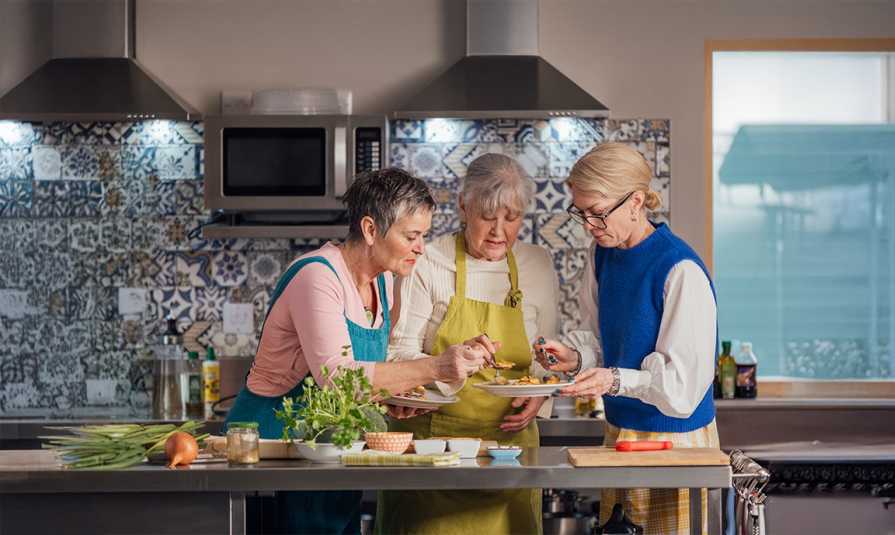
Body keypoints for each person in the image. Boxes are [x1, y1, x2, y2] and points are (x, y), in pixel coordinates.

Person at [223, 168, 488, 534]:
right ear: (370, 229)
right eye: (411, 236)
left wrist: (391, 395)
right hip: (272, 455)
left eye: (423, 236)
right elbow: (339, 377)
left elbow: (369, 373)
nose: (420, 248)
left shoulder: (383, 282)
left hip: (332, 452)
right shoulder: (317, 277)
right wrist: (438, 367)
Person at [534, 142, 719, 535]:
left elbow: (681, 391)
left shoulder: (680, 269)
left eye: (598, 214)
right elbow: (607, 341)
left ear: (636, 202)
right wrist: (577, 357)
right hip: (619, 435)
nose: (588, 225)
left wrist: (613, 379)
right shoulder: (602, 255)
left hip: (674, 444)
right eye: (581, 213)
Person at [376, 153, 560, 534]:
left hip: (510, 455)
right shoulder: (428, 260)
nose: (499, 231)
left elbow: (547, 355)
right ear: (463, 205)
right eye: (487, 217)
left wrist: (541, 396)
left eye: (511, 218)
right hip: (434, 453)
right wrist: (446, 364)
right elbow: (396, 353)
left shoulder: (537, 264)